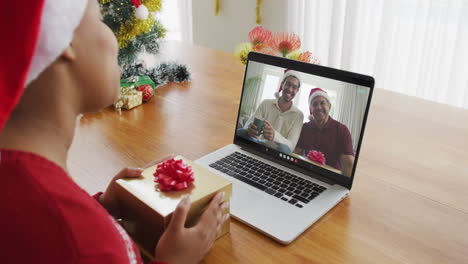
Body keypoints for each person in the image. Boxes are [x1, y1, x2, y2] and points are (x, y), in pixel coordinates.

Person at [0, 1, 228, 263]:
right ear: (65, 41)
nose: (116, 38)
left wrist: (100, 208)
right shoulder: (92, 245)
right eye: (99, 19)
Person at [236, 70, 304, 154]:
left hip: (277, 153)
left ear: (297, 91)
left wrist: (274, 136)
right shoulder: (266, 103)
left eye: (294, 87)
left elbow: (291, 146)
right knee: (241, 132)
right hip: (258, 144)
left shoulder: (298, 115)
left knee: (285, 149)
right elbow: (248, 124)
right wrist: (250, 129)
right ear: (282, 84)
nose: (290, 89)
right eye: (288, 84)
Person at [294, 88, 355, 177]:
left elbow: (349, 164)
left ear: (329, 106)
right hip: (307, 174)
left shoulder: (342, 130)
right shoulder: (305, 127)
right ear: (311, 109)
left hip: (331, 177)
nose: (319, 107)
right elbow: (297, 153)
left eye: (322, 103)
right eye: (314, 104)